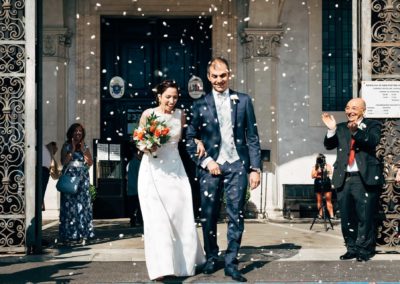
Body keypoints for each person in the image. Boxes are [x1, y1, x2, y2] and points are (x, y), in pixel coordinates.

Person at [186, 57, 262, 282]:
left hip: (237, 165)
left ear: (229, 75)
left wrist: (255, 168)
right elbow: (189, 138)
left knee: (235, 215)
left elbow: (253, 137)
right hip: (210, 167)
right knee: (208, 214)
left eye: (223, 75)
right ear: (208, 77)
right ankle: (211, 257)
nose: (219, 80)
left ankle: (231, 262)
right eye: (215, 76)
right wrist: (207, 161)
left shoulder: (244, 101)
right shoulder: (200, 105)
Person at [137, 80, 206, 281]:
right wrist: (148, 146)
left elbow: (186, 138)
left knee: (181, 215)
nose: (171, 101)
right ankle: (162, 267)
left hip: (176, 169)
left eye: (175, 97)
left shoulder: (180, 114)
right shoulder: (148, 114)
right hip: (153, 170)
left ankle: (184, 263)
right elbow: (139, 141)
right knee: (157, 219)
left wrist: (197, 140)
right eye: (168, 96)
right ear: (159, 96)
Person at [322, 98, 383, 262]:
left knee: (364, 216)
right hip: (344, 178)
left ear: (363, 110)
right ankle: (351, 248)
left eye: (354, 108)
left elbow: (373, 141)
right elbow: (328, 145)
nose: (350, 111)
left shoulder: (373, 125)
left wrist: (356, 131)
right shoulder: (341, 127)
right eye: (348, 108)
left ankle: (364, 250)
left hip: (363, 178)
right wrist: (331, 130)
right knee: (347, 217)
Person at [59, 123, 95, 244]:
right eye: (75, 131)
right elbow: (63, 162)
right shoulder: (66, 145)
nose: (78, 133)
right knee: (70, 207)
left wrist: (84, 149)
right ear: (71, 133)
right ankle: (70, 234)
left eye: (80, 131)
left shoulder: (85, 146)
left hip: (82, 179)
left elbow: (90, 163)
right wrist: (73, 149)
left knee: (82, 206)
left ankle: (83, 233)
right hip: (70, 178)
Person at [311, 153, 334, 219]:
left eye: (322, 159)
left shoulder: (327, 165)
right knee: (319, 200)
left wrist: (324, 170)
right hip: (318, 182)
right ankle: (320, 215)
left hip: (326, 182)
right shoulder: (315, 167)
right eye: (319, 159)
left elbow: (330, 173)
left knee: (328, 200)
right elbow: (312, 175)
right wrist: (317, 172)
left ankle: (331, 215)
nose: (321, 160)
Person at [126, 148, 143, 227]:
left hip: (130, 187)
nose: (141, 155)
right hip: (138, 187)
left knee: (132, 206)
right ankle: (139, 220)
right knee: (139, 206)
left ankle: (132, 221)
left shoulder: (130, 163)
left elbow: (126, 176)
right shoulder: (139, 163)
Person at [41, 141, 59, 211]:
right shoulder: (47, 149)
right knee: (41, 191)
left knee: (41, 192)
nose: (55, 152)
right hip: (43, 171)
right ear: (53, 146)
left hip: (44, 171)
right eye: (55, 149)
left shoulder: (46, 150)